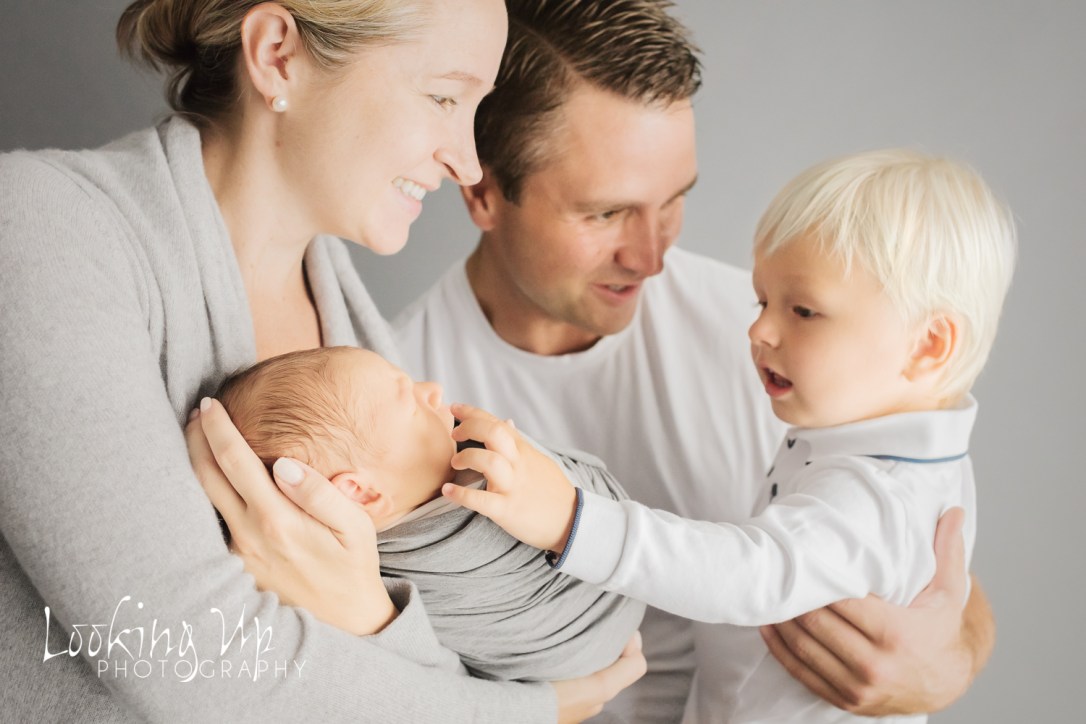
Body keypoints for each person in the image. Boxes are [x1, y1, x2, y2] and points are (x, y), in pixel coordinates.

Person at [0, 0, 643, 721]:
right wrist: (532, 711)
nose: (467, 160)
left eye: (475, 108)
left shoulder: (353, 328)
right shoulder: (43, 229)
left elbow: (420, 660)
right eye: (441, 97)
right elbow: (181, 654)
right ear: (278, 54)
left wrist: (370, 612)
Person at [394, 0, 996, 720]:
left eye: (673, 201)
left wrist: (950, 657)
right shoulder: (395, 388)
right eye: (605, 213)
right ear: (483, 191)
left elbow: (903, 535)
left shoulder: (784, 336)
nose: (651, 256)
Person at [216, 345, 645, 682]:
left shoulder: (470, 468)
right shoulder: (369, 581)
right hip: (566, 648)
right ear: (361, 493)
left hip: (606, 613)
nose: (433, 390)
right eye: (411, 401)